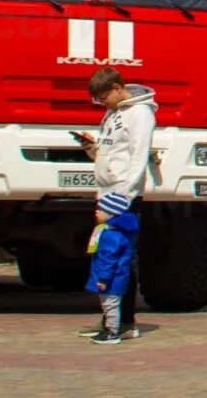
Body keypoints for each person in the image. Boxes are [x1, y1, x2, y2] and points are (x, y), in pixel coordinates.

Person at [76, 67, 156, 342]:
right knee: (106, 256)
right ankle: (112, 319)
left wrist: (118, 200)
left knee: (119, 257)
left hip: (123, 197)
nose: (101, 104)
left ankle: (123, 322)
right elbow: (114, 151)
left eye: (103, 98)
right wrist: (93, 149)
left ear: (117, 88)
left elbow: (137, 158)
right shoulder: (114, 113)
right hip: (107, 191)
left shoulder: (140, 114)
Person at [84, 190, 139, 346]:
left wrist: (103, 279)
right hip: (116, 278)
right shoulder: (119, 233)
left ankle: (112, 332)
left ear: (111, 214)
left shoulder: (111, 235)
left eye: (101, 210)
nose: (96, 212)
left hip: (111, 280)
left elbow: (109, 260)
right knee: (111, 305)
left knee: (110, 305)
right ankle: (110, 329)